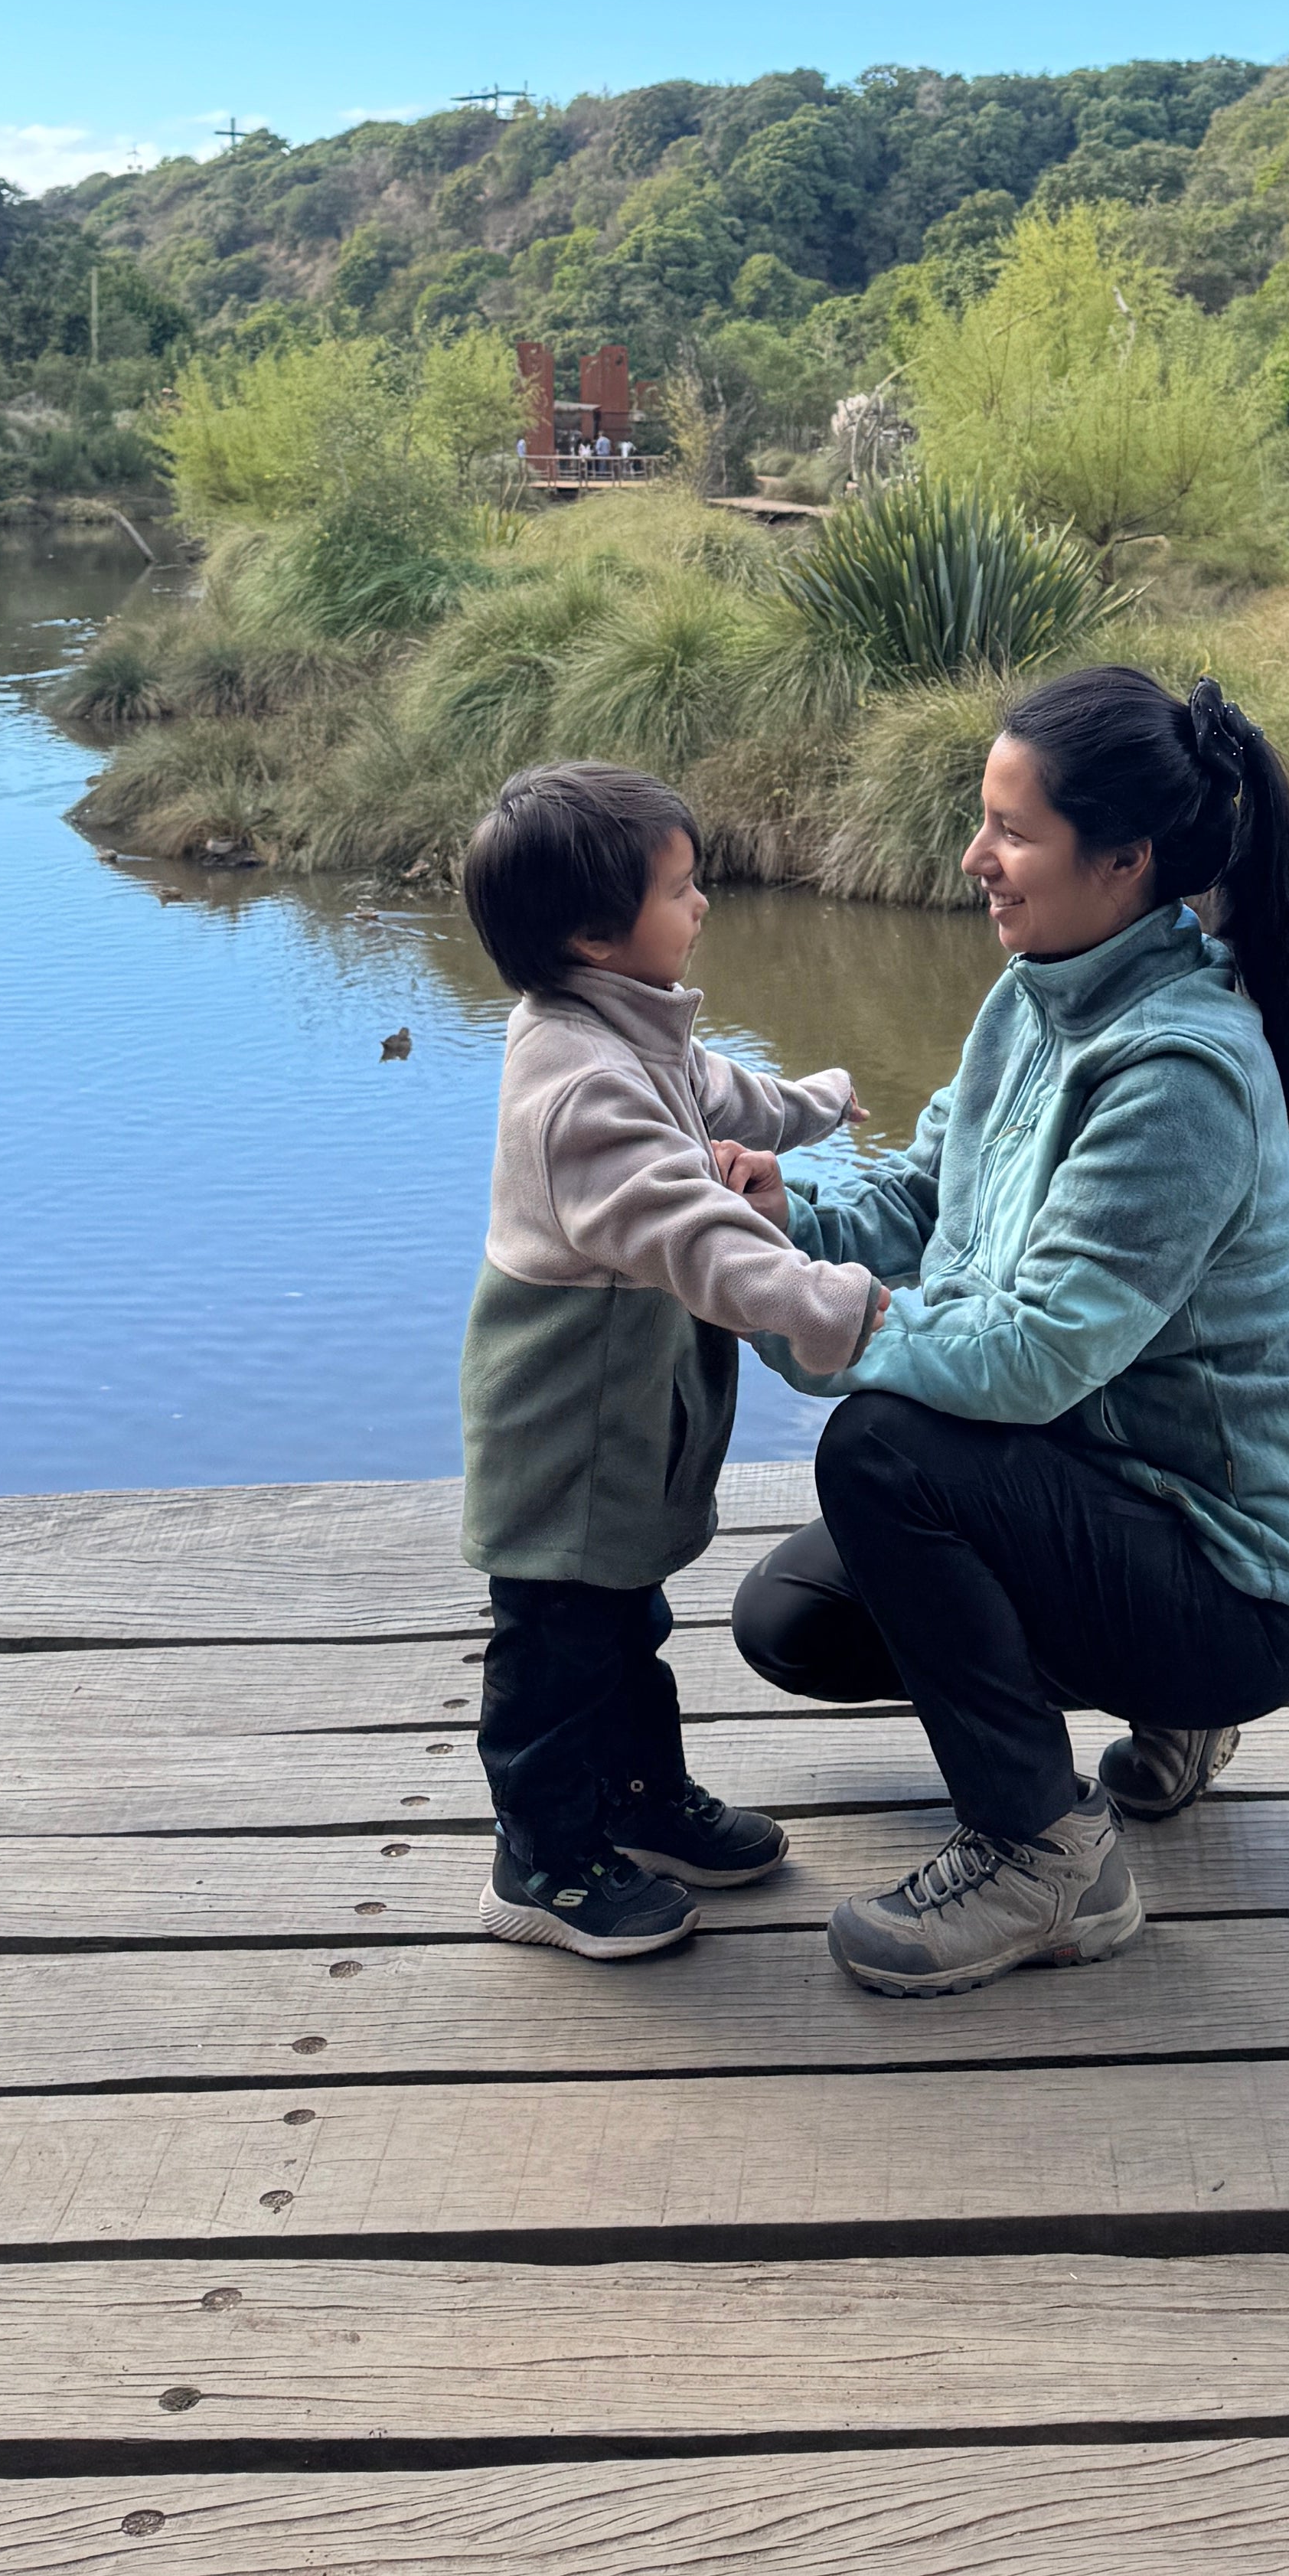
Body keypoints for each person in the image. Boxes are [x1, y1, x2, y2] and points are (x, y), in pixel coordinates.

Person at [723, 666, 1289, 1998]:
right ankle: (1168, 1720)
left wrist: (808, 1317)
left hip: (1242, 1579)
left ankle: (1044, 1859)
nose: (978, 859)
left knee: (887, 1451)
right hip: (1115, 1491)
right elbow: (929, 1195)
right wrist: (798, 1220)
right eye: (984, 820)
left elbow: (1031, 1358)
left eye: (1013, 832)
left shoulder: (1179, 1071)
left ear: (1126, 861)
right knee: (796, 1620)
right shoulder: (1037, 989)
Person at [458, 761, 880, 1961]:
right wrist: (831, 1306)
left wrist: (810, 1105)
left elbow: (717, 1092)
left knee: (624, 1624)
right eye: (682, 890)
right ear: (595, 933)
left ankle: (638, 1804)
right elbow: (695, 1235)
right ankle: (539, 1861)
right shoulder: (576, 1086)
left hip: (628, 1416)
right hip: (566, 1427)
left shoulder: (626, 1024)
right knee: (555, 1648)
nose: (703, 907)